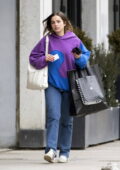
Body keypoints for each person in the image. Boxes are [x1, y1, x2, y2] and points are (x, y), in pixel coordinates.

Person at [29, 11, 91, 163]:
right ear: (50, 25)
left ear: (64, 22)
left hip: (70, 86)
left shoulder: (74, 39)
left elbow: (84, 61)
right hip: (52, 85)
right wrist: (44, 58)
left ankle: (64, 151)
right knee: (53, 115)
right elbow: (33, 58)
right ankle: (50, 150)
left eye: (58, 21)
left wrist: (78, 57)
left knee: (67, 120)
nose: (55, 24)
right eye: (52, 22)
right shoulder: (47, 40)